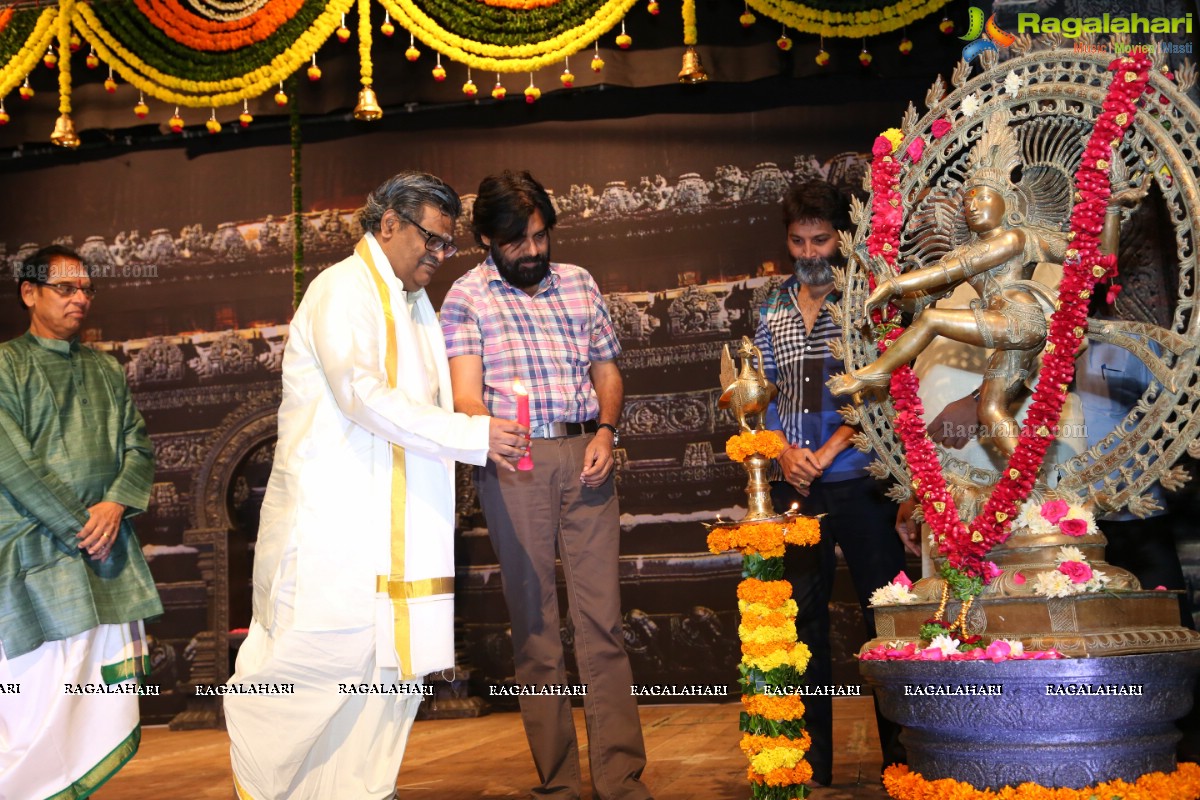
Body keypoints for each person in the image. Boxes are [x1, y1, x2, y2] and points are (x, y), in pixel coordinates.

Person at [224, 172, 528, 800]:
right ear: (389, 224)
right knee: (308, 672)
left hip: (401, 532)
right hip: (334, 528)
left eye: (450, 247)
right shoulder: (341, 290)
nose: (440, 259)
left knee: (388, 679)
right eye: (433, 242)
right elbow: (360, 395)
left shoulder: (415, 305)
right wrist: (473, 437)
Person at [441, 170, 651, 800]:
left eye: (539, 237)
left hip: (587, 449)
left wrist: (607, 432)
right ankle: (558, 783)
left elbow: (607, 371)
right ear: (485, 238)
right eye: (517, 243)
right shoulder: (465, 298)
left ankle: (620, 779)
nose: (533, 251)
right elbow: (464, 396)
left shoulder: (580, 284)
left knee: (603, 623)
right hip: (516, 464)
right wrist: (488, 427)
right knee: (534, 626)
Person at [754, 181, 910, 785]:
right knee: (803, 623)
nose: (809, 251)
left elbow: (881, 385)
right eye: (798, 240)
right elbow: (760, 391)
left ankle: (902, 758)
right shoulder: (771, 306)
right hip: (797, 483)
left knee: (887, 617)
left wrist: (826, 448)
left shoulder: (868, 299)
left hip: (863, 477)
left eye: (820, 239)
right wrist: (785, 451)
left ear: (842, 238)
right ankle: (812, 765)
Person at [0, 245, 162, 798]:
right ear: (30, 293)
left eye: (87, 289)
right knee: (33, 712)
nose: (80, 299)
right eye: (66, 288)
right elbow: (13, 462)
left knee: (89, 712)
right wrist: (80, 524)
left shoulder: (105, 368)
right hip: (35, 558)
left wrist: (114, 506)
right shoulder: (5, 366)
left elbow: (137, 448)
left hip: (105, 552)